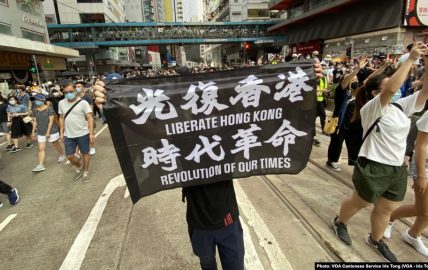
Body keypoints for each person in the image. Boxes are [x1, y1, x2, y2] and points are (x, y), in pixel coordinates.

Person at [92, 61, 326, 270]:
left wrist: (306, 76)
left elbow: (263, 105)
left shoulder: (228, 134)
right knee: (207, 264)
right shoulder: (181, 138)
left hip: (227, 221)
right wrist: (109, 108)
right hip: (198, 223)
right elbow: (147, 129)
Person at [332, 43, 428, 262]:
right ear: (375, 93)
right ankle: (340, 222)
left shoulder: (400, 107)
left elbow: (425, 91)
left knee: (385, 208)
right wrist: (411, 59)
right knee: (361, 201)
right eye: (385, 89)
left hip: (396, 169)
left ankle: (375, 239)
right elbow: (392, 90)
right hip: (373, 165)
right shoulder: (372, 108)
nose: (394, 92)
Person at [384, 109, 428, 257]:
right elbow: (420, 145)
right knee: (423, 209)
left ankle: (413, 235)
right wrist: (421, 175)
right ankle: (389, 218)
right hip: (424, 165)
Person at [325, 58, 366, 171]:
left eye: (356, 79)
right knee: (337, 143)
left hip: (352, 123)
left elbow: (369, 80)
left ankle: (354, 161)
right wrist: (356, 69)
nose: (354, 81)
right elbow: (345, 81)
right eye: (352, 79)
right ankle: (331, 161)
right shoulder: (342, 91)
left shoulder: (357, 93)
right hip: (340, 122)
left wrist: (382, 68)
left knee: (354, 144)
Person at [58, 82, 94, 182]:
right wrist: (61, 132)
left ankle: (86, 171)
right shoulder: (61, 103)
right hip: (68, 135)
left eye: (70, 91)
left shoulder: (83, 103)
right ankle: (79, 167)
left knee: (85, 153)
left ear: (75, 90)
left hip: (82, 133)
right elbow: (61, 118)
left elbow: (90, 117)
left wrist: (91, 133)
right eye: (66, 92)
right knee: (69, 156)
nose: (68, 94)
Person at [31, 94, 66, 172]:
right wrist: (33, 132)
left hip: (52, 131)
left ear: (42, 100)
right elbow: (35, 122)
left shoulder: (49, 109)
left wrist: (48, 132)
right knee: (41, 148)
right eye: (35, 100)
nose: (35, 101)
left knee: (55, 144)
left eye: (37, 100)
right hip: (40, 132)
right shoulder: (34, 110)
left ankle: (62, 154)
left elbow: (51, 121)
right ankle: (41, 165)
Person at [75, 81, 96, 156]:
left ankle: (92, 147)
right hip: (78, 120)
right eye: (76, 87)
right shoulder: (75, 97)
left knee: (91, 133)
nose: (77, 88)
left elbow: (90, 110)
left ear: (83, 87)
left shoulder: (88, 97)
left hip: (87, 119)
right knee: (78, 136)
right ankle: (77, 152)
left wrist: (88, 120)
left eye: (78, 86)